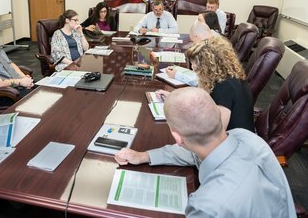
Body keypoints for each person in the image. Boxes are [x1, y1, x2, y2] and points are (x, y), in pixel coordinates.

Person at [115, 87, 296, 218]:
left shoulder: (208, 207)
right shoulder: (246, 137)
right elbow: (193, 153)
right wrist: (144, 156)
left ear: (178, 138)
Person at [163, 20, 213, 86]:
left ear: (196, 37)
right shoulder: (215, 42)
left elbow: (200, 82)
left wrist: (176, 75)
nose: (193, 44)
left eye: (193, 41)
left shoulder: (208, 50)